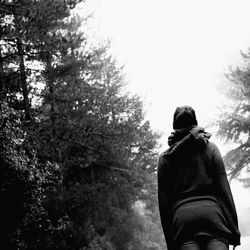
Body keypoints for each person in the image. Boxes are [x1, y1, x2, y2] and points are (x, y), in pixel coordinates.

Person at [157, 106, 241, 250]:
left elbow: (164, 206)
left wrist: (170, 243)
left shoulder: (165, 158)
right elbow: (224, 191)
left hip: (183, 222)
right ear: (196, 123)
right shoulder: (211, 149)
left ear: (174, 126)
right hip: (214, 218)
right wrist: (234, 230)